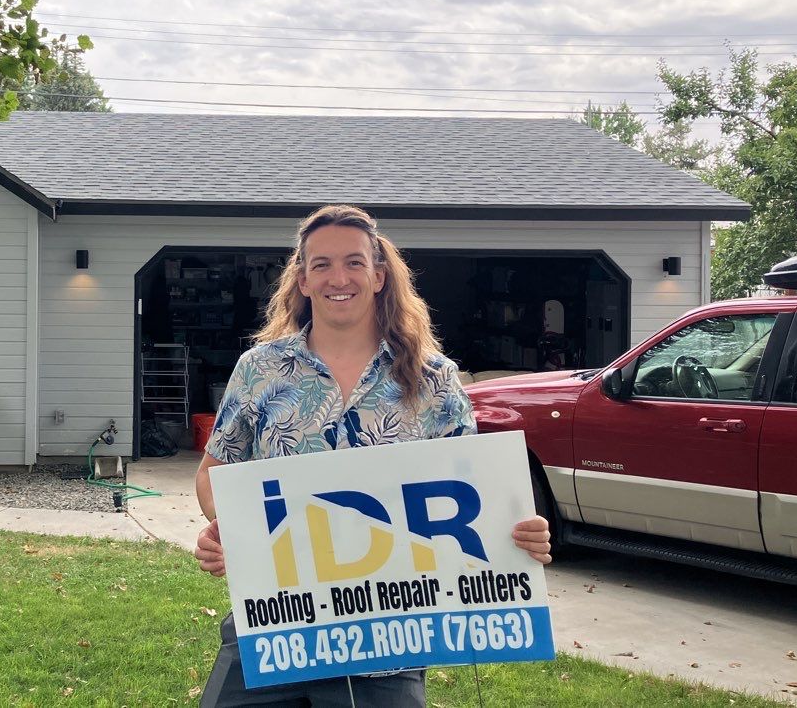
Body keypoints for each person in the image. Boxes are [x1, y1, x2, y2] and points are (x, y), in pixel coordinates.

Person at [193, 204, 552, 707]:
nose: (338, 278)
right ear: (302, 279)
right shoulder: (260, 370)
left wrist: (518, 533)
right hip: (276, 629)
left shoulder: (433, 379)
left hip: (388, 643)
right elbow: (213, 473)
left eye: (354, 262)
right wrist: (232, 530)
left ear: (379, 276)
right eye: (321, 264)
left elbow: (477, 494)